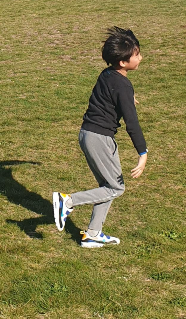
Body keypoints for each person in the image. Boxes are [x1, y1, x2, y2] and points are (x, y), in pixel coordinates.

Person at [51, 26, 147, 248]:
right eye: (137, 54)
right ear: (123, 62)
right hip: (99, 138)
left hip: (87, 134)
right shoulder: (123, 85)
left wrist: (128, 98)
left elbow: (109, 94)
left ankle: (93, 233)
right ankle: (68, 201)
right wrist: (142, 153)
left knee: (107, 185)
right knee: (116, 188)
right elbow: (132, 124)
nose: (140, 57)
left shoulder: (108, 75)